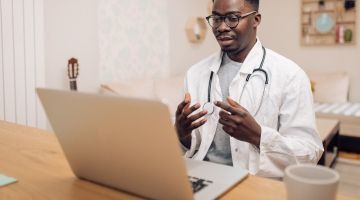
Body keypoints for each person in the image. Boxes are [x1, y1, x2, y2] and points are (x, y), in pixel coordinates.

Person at [175, 0, 324, 178]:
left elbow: (309, 153)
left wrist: (258, 135)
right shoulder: (195, 73)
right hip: (202, 176)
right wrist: (182, 134)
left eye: (232, 18)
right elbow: (195, 146)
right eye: (216, 18)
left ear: (256, 19)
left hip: (254, 183)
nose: (222, 27)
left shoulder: (291, 75)